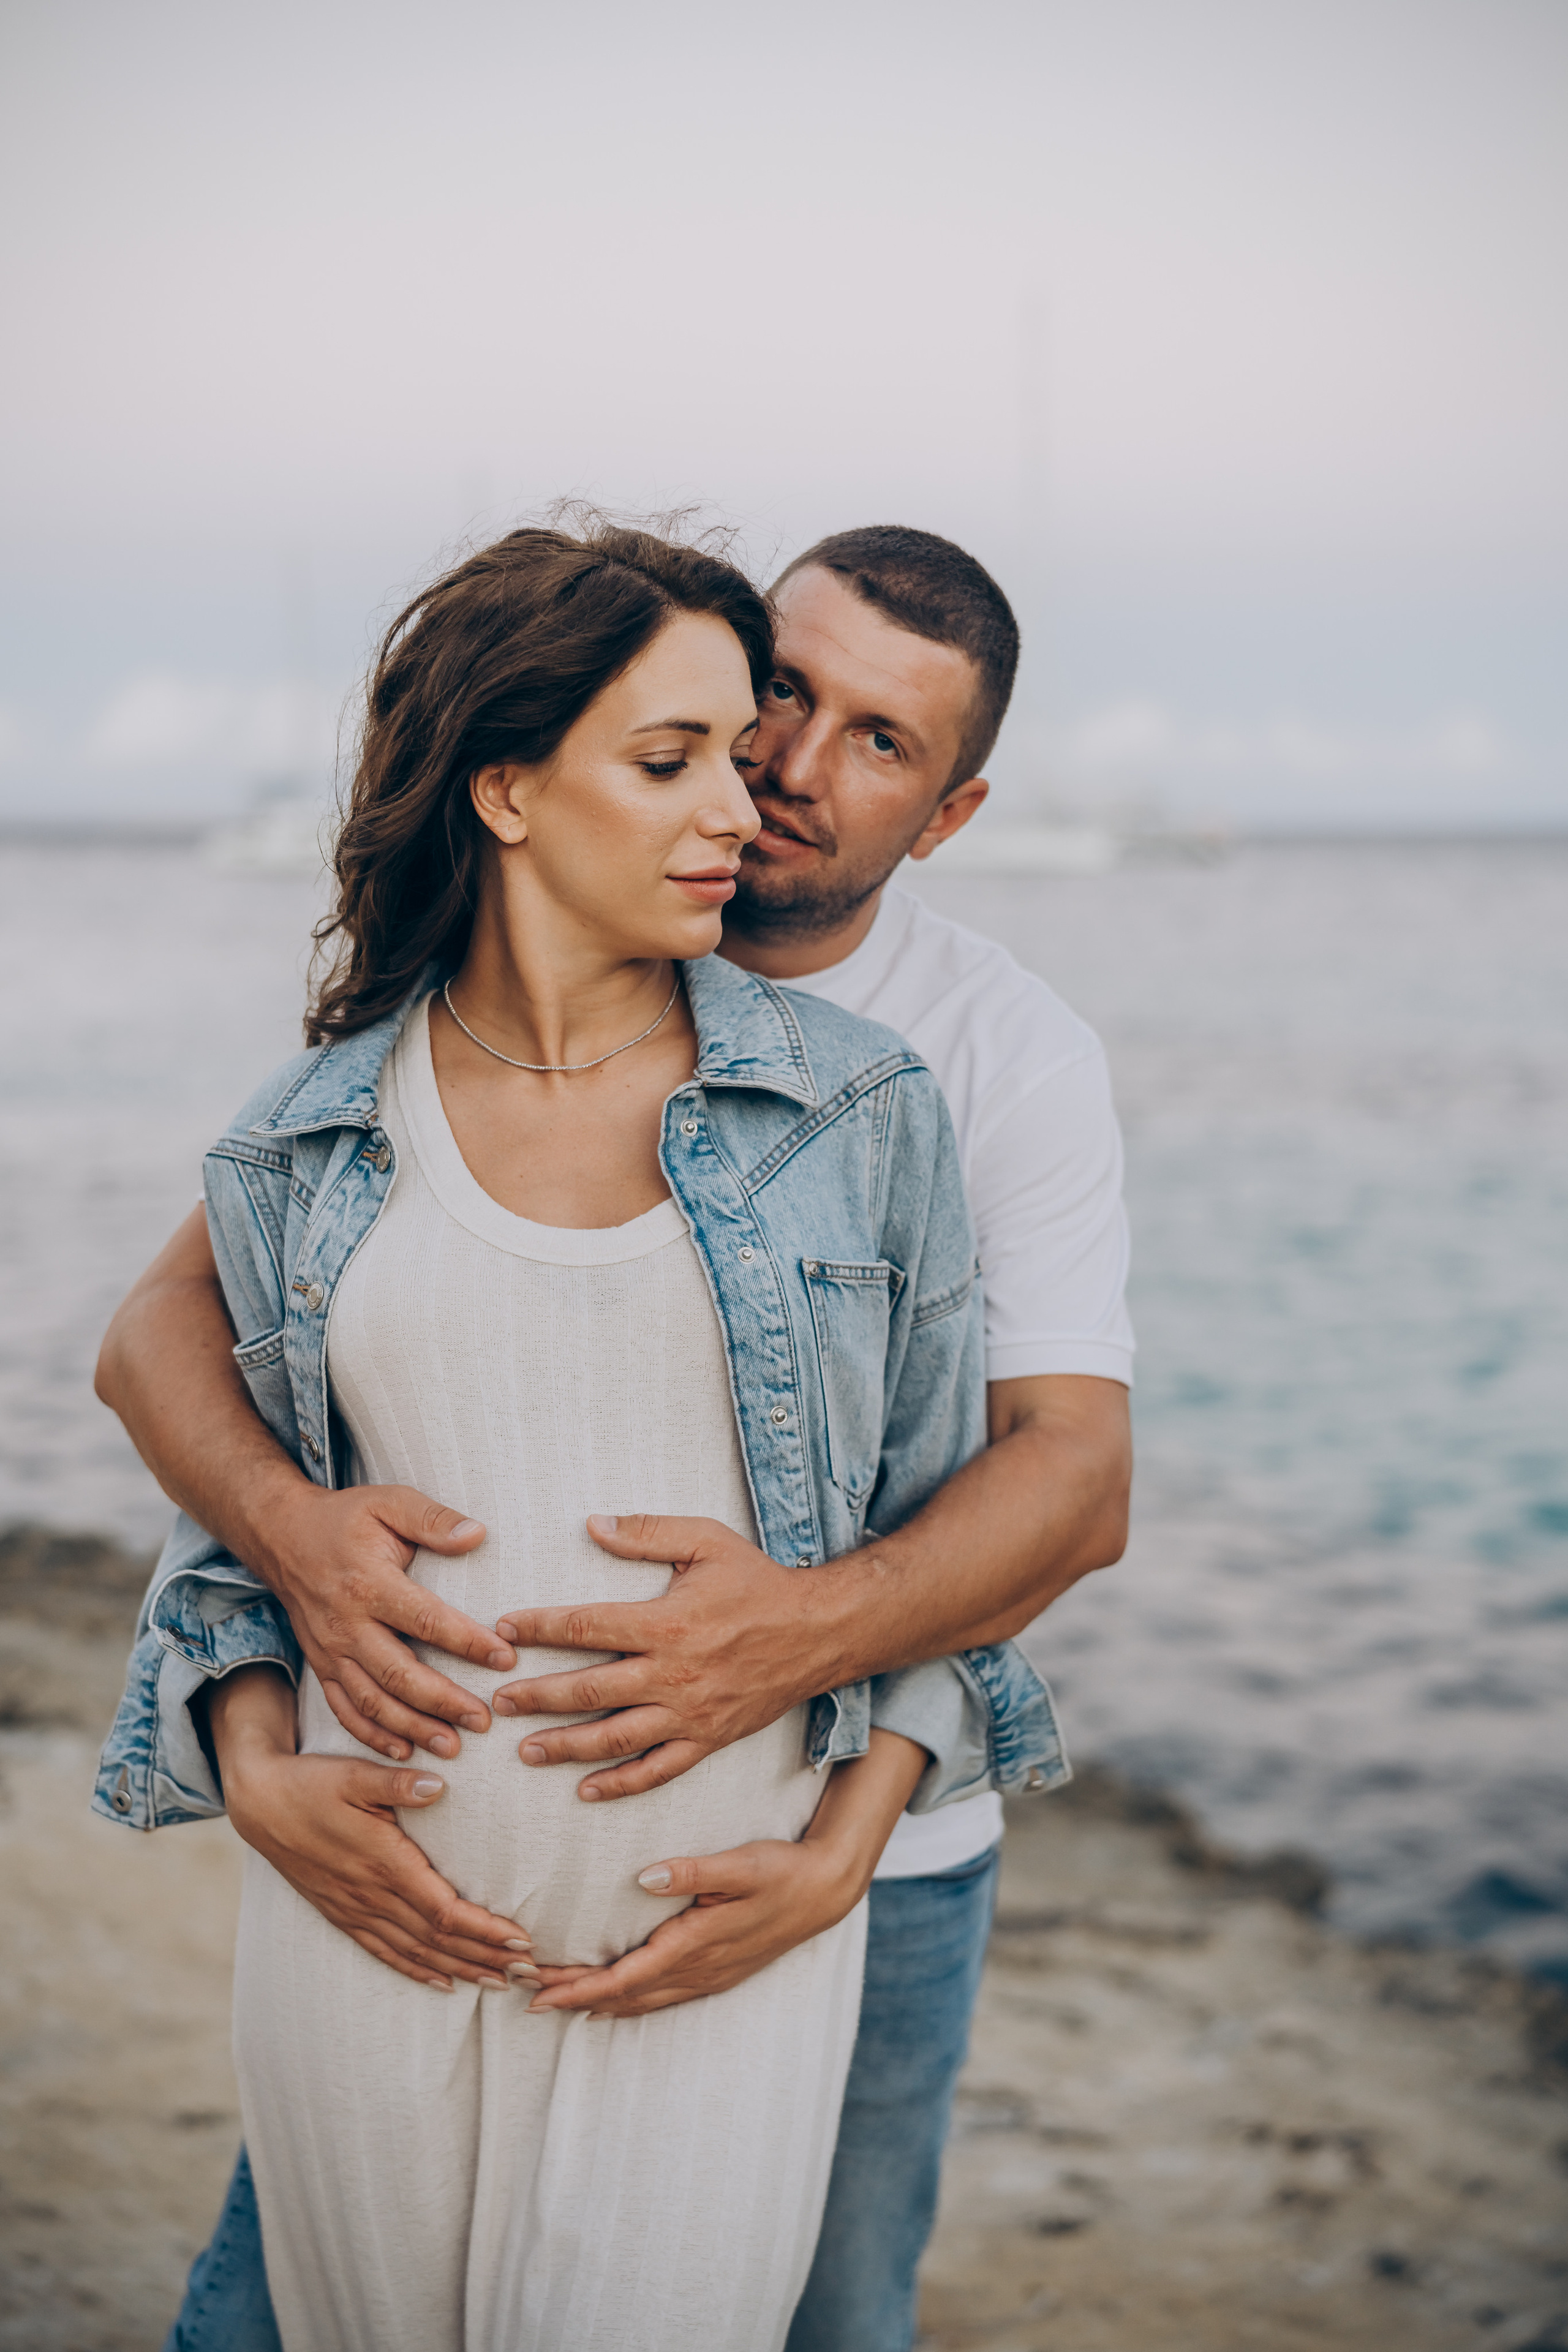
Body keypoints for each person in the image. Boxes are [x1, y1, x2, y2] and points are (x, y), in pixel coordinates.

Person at [97, 524, 1134, 2351]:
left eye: (877, 743)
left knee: (825, 2319)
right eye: (769, 708)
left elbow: (1061, 1482)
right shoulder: (400, 1055)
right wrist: (259, 1697)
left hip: (840, 1875)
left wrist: (814, 1713)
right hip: (405, 1901)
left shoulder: (959, 1075)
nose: (784, 777)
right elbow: (226, 1359)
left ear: (951, 815)